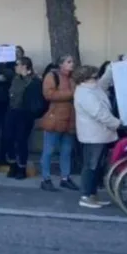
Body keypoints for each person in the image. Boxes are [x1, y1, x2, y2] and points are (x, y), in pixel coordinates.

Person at [73, 65, 120, 208]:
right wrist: (117, 124)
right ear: (87, 78)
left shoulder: (92, 88)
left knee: (97, 166)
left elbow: (105, 81)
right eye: (95, 76)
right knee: (91, 166)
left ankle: (92, 195)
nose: (98, 78)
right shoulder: (85, 93)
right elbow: (100, 114)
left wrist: (113, 67)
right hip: (93, 136)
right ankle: (86, 196)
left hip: (100, 134)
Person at [40, 55, 79, 192]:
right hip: (55, 118)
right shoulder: (52, 76)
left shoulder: (74, 78)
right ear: (61, 64)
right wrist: (71, 93)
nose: (72, 64)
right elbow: (49, 94)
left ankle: (65, 178)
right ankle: (46, 178)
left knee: (66, 151)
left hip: (70, 119)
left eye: (72, 61)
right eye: (69, 62)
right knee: (49, 151)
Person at [5, 56, 41, 179]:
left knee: (21, 140)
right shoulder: (16, 79)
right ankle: (12, 164)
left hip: (25, 113)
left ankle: (21, 168)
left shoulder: (33, 81)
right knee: (8, 138)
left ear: (25, 66)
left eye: (18, 64)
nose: (15, 67)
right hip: (12, 110)